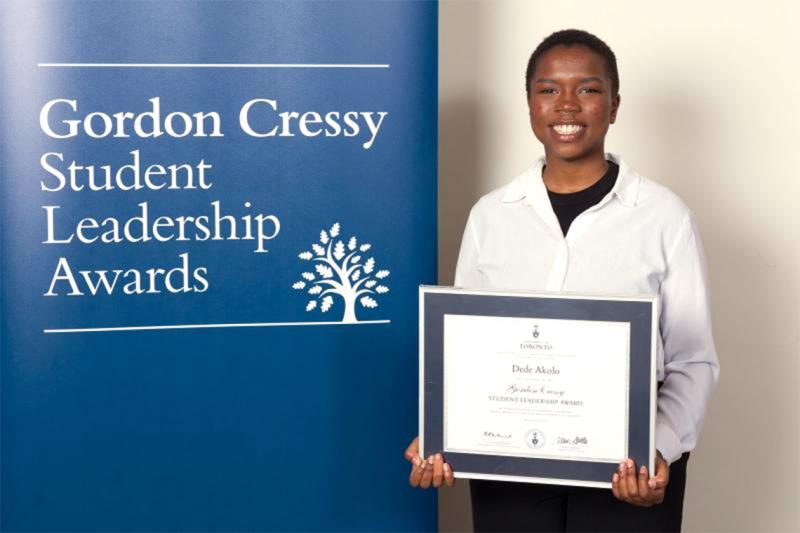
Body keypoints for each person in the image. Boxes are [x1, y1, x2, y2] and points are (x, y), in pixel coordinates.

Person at [404, 29, 719, 532]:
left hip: (628, 473)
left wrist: (656, 447)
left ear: (614, 105)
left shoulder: (663, 216)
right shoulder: (491, 216)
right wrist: (441, 434)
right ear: (529, 104)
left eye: (588, 90)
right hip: (509, 470)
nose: (567, 105)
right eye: (548, 90)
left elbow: (691, 360)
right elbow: (467, 351)